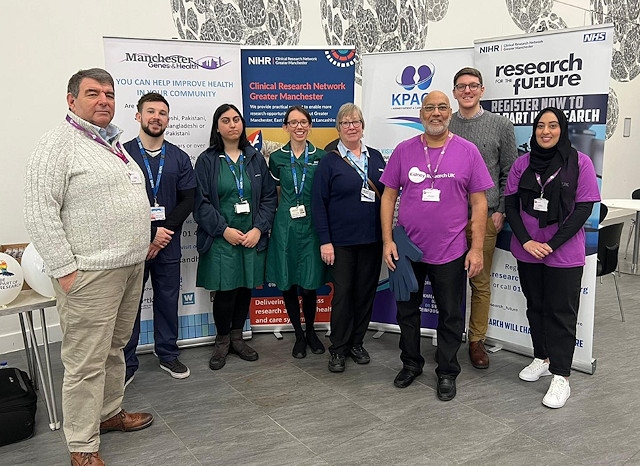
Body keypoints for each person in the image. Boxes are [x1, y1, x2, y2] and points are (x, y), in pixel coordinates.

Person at [24, 68, 153, 466]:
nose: (103, 100)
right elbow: (39, 211)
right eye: (93, 93)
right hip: (90, 275)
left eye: (109, 94)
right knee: (84, 362)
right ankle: (81, 444)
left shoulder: (110, 142)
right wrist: (65, 269)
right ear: (71, 99)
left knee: (114, 348)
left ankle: (109, 412)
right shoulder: (58, 143)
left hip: (129, 268)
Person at [380, 91, 493, 401]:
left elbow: (479, 203)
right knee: (407, 311)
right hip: (407, 250)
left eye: (442, 107)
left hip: (451, 250)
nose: (436, 113)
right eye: (430, 108)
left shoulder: (468, 151)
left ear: (450, 113)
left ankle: (446, 371)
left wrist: (476, 248)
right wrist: (388, 240)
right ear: (421, 114)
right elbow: (388, 196)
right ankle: (411, 363)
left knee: (450, 315)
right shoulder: (403, 151)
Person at [504, 107, 600, 408]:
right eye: (541, 126)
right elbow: (510, 206)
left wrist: (552, 243)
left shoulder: (580, 163)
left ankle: (561, 376)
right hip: (528, 250)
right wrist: (528, 241)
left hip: (564, 252)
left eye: (553, 125)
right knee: (536, 307)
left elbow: (584, 209)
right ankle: (541, 357)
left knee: (561, 312)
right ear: (534, 131)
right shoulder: (522, 163)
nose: (546, 131)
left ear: (563, 129)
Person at [194, 103, 277, 371]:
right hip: (222, 239)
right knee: (226, 291)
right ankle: (222, 342)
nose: (233, 124)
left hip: (251, 237)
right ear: (217, 127)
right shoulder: (207, 160)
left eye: (237, 120)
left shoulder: (254, 158)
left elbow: (267, 197)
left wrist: (258, 229)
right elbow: (201, 203)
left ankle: (237, 338)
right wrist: (223, 230)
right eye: (226, 120)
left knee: (244, 289)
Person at [123, 93, 196, 383]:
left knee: (167, 299)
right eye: (150, 111)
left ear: (168, 119)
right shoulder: (122, 155)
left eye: (162, 113)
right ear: (138, 116)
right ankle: (126, 364)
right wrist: (149, 236)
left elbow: (188, 198)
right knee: (129, 305)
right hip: (133, 245)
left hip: (168, 243)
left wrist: (162, 233)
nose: (157, 117)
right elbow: (117, 202)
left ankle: (167, 353)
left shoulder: (178, 156)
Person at [448, 67, 518, 369]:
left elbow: (510, 172)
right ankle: (450, 335)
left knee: (479, 282)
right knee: (448, 281)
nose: (467, 91)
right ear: (454, 91)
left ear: (482, 90)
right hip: (447, 219)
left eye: (473, 86)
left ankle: (476, 341)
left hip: (485, 216)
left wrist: (501, 209)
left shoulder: (500, 125)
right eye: (461, 86)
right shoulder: (444, 122)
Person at [312, 103, 386, 373]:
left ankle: (357, 342)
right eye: (345, 123)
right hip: (341, 243)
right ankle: (338, 348)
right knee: (342, 295)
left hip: (372, 240)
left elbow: (388, 197)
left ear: (362, 126)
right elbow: (318, 204)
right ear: (338, 128)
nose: (351, 126)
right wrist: (325, 241)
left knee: (365, 294)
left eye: (356, 121)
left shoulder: (376, 158)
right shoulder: (329, 161)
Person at [266, 106, 327, 358]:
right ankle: (298, 335)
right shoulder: (277, 158)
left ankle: (311, 330)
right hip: (286, 228)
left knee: (310, 283)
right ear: (285, 127)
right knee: (288, 281)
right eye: (293, 123)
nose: (299, 127)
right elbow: (276, 194)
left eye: (303, 122)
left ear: (310, 126)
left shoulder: (321, 156)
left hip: (312, 227)